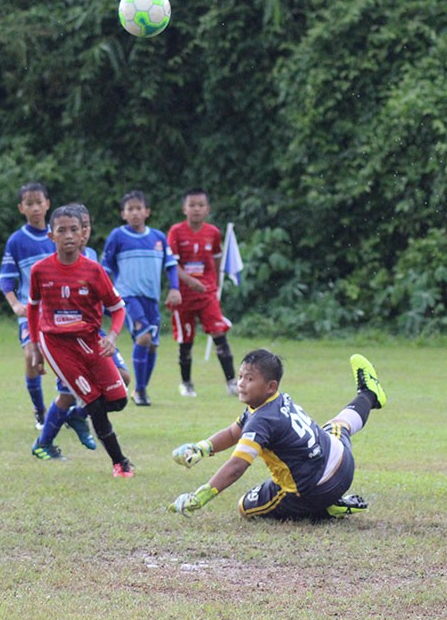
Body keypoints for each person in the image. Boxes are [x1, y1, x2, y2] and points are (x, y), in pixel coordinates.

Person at [167, 350, 386, 520]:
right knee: (339, 425)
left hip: (318, 488)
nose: (241, 383)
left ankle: (326, 509)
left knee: (244, 507)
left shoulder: (262, 420)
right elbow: (233, 432)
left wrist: (201, 496)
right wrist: (202, 448)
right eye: (240, 376)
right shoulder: (274, 401)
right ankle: (369, 395)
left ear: (270, 386)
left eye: (249, 379)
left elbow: (236, 467)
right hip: (342, 461)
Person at [29, 204, 135, 477]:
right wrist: (36, 348)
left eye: (73, 230)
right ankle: (120, 462)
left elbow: (118, 308)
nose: (68, 235)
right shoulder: (40, 271)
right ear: (51, 236)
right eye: (61, 230)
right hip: (57, 344)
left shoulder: (94, 271)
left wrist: (112, 336)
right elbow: (33, 308)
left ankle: (76, 415)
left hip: (90, 340)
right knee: (94, 401)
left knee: (119, 400)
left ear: (82, 234)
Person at [101, 190, 182, 406]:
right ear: (123, 214)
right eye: (130, 209)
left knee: (152, 345)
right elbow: (104, 269)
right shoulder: (117, 236)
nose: (135, 213)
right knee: (144, 336)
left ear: (147, 212)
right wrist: (102, 295)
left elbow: (170, 265)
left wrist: (175, 288)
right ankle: (141, 390)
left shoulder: (158, 237)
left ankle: (140, 390)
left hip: (150, 299)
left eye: (139, 208)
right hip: (127, 296)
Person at [167, 189, 238, 398]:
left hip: (206, 294)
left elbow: (216, 260)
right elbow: (172, 264)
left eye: (200, 205)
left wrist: (211, 285)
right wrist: (190, 282)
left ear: (207, 209)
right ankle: (186, 384)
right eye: (192, 205)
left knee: (219, 333)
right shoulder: (176, 232)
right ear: (184, 209)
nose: (196, 209)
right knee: (186, 341)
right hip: (184, 296)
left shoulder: (213, 233)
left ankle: (232, 382)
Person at [0, 182, 53, 430]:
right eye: (29, 204)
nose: (35, 208)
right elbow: (6, 278)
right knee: (31, 357)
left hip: (59, 311)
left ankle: (68, 408)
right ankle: (40, 410)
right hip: (31, 312)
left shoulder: (58, 234)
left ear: (47, 204)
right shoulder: (17, 241)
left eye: (39, 202)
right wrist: (15, 304)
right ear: (21, 208)